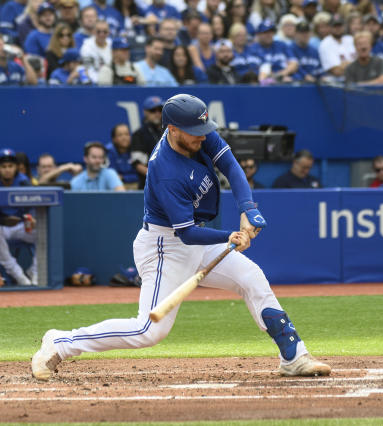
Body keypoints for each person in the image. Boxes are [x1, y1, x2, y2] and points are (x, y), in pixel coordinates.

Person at [31, 94, 331, 381]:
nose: (202, 136)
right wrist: (231, 235)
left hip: (196, 237)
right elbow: (186, 234)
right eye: (194, 132)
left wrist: (247, 208)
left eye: (204, 129)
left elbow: (230, 165)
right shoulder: (165, 170)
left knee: (251, 277)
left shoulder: (195, 129)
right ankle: (61, 342)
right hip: (166, 246)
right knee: (148, 331)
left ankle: (294, 357)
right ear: (172, 130)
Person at [0, 148, 37, 286]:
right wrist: (3, 220)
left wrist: (31, 218)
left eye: (10, 166)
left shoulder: (23, 181)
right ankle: (18, 275)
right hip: (2, 226)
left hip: (21, 225)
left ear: (16, 167)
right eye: (3, 166)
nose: (7, 170)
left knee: (43, 233)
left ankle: (34, 272)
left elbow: (33, 205)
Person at [131, 96, 164, 188]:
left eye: (160, 110)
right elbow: (137, 164)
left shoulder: (169, 131)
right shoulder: (139, 134)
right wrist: (159, 177)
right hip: (148, 185)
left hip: (170, 183)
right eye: (153, 110)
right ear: (145, 112)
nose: (157, 113)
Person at [318, 14, 356, 81]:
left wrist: (345, 65)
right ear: (330, 27)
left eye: (340, 25)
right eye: (335, 26)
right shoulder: (325, 44)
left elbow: (364, 63)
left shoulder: (351, 39)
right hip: (337, 83)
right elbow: (336, 71)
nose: (338, 28)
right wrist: (355, 65)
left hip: (356, 80)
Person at [105, 123, 138, 189]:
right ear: (113, 139)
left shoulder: (136, 150)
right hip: (114, 186)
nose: (124, 138)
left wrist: (124, 177)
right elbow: (110, 175)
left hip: (135, 184)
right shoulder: (108, 152)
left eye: (127, 134)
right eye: (120, 135)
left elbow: (140, 175)